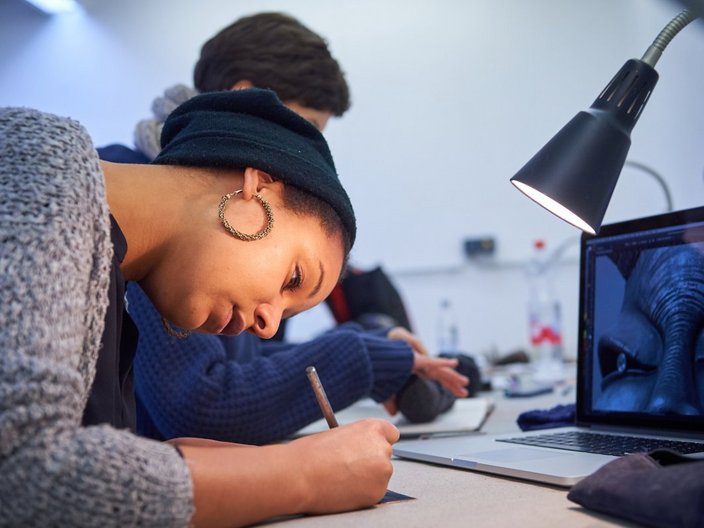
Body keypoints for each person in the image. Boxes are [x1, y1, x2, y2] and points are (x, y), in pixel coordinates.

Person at [0, 89, 402, 527]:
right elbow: (23, 474)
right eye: (294, 279)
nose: (267, 327)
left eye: (285, 316)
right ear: (255, 190)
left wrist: (180, 460)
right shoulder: (36, 173)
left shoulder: (110, 287)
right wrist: (301, 475)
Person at [98, 12, 469, 444]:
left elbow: (244, 358)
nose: (309, 153)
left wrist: (373, 340)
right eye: (307, 128)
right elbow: (201, 401)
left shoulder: (209, 228)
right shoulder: (145, 205)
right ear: (251, 99)